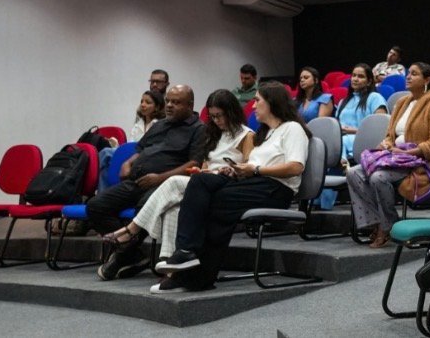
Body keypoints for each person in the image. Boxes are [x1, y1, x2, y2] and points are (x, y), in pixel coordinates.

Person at [152, 84, 310, 293]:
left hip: (275, 190)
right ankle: (187, 257)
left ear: (272, 103)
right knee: (200, 182)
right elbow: (254, 168)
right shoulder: (267, 133)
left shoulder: (292, 128)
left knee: (213, 203)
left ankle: (191, 268)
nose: (253, 105)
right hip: (255, 182)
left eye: (258, 100)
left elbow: (296, 167)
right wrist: (235, 171)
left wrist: (256, 170)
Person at [100, 90, 252, 264]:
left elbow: (247, 170)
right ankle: (170, 264)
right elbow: (204, 165)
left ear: (231, 113)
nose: (216, 121)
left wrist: (230, 170)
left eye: (220, 116)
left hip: (225, 185)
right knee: (173, 209)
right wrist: (201, 171)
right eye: (212, 117)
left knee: (172, 182)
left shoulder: (246, 135)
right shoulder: (215, 134)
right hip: (203, 183)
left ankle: (131, 230)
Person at [92, 85, 205, 280]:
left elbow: (195, 163)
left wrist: (160, 177)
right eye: (168, 101)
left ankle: (121, 256)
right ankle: (134, 255)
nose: (169, 105)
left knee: (144, 207)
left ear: (190, 105)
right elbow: (141, 149)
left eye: (176, 102)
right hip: (135, 181)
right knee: (95, 206)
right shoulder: (160, 124)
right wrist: (127, 163)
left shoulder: (198, 129)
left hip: (163, 185)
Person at [345, 61, 430, 248]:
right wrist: (387, 143)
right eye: (408, 73)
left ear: (427, 80)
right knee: (353, 172)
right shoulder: (402, 103)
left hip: (418, 162)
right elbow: (390, 135)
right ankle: (380, 222)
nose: (408, 76)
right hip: (394, 158)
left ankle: (387, 227)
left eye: (414, 74)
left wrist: (408, 151)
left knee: (378, 177)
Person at [335, 62, 388, 160]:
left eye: (360, 76)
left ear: (369, 82)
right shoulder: (343, 101)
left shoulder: (375, 98)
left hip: (363, 139)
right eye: (354, 75)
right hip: (340, 138)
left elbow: (381, 130)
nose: (355, 79)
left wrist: (354, 131)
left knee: (342, 141)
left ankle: (344, 164)